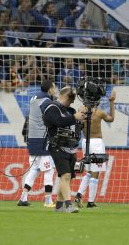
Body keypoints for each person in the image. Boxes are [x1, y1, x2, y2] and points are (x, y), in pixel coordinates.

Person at [42, 85, 85, 213]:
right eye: (70, 100)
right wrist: (75, 117)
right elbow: (59, 121)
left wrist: (82, 118)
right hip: (57, 146)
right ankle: (68, 204)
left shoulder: (70, 111)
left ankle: (59, 206)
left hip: (71, 147)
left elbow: (76, 127)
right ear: (66, 96)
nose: (71, 103)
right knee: (65, 175)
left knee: (68, 178)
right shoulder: (51, 108)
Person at [18, 79, 58, 208]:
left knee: (35, 169)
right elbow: (50, 117)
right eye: (54, 87)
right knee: (49, 170)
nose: (55, 89)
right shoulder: (46, 101)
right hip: (42, 139)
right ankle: (48, 201)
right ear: (50, 88)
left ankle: (23, 198)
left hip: (32, 138)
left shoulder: (34, 98)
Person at [75, 88, 116, 208]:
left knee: (88, 172)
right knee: (95, 173)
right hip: (96, 143)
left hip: (85, 142)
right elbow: (111, 119)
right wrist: (112, 102)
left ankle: (78, 194)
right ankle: (91, 202)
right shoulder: (99, 112)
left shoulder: (80, 111)